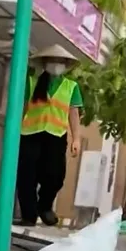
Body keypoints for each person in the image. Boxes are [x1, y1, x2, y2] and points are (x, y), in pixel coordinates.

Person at [17, 44, 84, 227]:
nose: (56, 64)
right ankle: (28, 216)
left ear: (65, 64)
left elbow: (74, 114)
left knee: (55, 176)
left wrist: (76, 138)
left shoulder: (72, 87)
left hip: (56, 136)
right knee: (26, 177)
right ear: (45, 63)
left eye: (60, 61)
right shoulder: (31, 82)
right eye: (53, 61)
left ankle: (44, 206)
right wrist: (14, 132)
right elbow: (21, 108)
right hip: (30, 134)